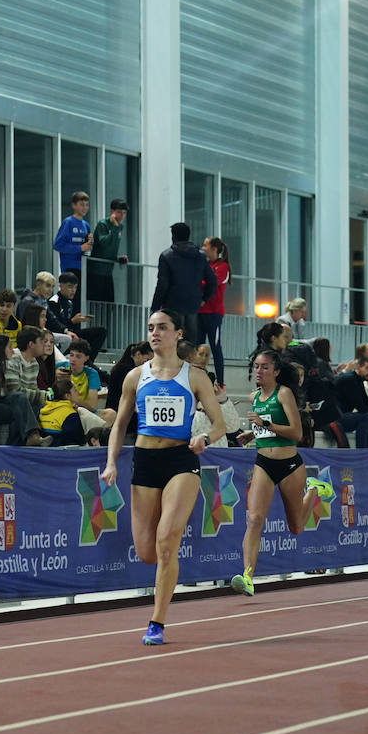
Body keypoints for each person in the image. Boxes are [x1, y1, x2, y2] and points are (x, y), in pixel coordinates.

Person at [101, 310, 225, 646]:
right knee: (147, 552)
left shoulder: (195, 377)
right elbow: (120, 425)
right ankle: (167, 568)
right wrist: (111, 462)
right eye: (151, 328)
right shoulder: (135, 376)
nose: (155, 333)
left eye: (162, 328)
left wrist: (206, 439)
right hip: (145, 461)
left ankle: (157, 621)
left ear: (177, 334)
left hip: (181, 460)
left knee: (167, 543)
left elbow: (219, 424)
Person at [232, 349, 333, 597]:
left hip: (289, 465)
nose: (259, 371)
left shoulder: (284, 393)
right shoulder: (254, 396)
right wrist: (253, 434)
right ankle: (247, 576)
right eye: (256, 366)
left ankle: (313, 489)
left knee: (296, 527)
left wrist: (265, 424)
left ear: (276, 372)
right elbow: (264, 429)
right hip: (263, 463)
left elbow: (296, 433)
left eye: (265, 367)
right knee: (254, 519)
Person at [151, 222, 216, 348]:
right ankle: (189, 367)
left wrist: (155, 307)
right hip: (193, 305)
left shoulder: (166, 256)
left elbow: (162, 284)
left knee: (171, 342)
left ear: (173, 236)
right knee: (190, 345)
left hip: (172, 305)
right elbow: (212, 281)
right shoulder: (199, 256)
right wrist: (204, 299)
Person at [48, 271, 107, 361]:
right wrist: (72, 321)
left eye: (75, 287)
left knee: (101, 332)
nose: (73, 290)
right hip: (60, 335)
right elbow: (55, 325)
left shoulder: (69, 303)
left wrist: (77, 321)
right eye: (70, 287)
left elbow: (69, 324)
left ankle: (88, 360)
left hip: (70, 332)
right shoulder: (54, 302)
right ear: (61, 286)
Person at [199, 237, 231, 389]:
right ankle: (195, 376)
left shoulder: (222, 266)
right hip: (199, 311)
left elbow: (211, 282)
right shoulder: (204, 264)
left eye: (205, 245)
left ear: (213, 249)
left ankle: (221, 382)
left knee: (216, 346)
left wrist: (199, 281)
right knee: (196, 346)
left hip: (213, 313)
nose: (202, 247)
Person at [87, 198, 129, 303]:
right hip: (96, 270)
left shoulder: (120, 227)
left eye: (124, 213)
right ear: (112, 212)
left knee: (109, 303)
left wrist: (117, 258)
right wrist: (114, 228)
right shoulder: (103, 224)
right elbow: (103, 244)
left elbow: (111, 248)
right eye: (119, 212)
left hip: (108, 271)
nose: (122, 216)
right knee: (96, 303)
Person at [105, 341, 152, 433]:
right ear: (138, 354)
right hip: (121, 416)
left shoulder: (123, 366)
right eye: (147, 360)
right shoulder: (128, 372)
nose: (149, 365)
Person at [53, 191, 92, 280]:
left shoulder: (86, 225)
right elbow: (58, 245)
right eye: (82, 205)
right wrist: (80, 248)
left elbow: (87, 247)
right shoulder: (68, 222)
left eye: (86, 205)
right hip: (69, 268)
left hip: (83, 267)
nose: (85, 208)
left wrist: (90, 243)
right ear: (74, 205)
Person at [38, 380, 88, 447]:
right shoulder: (70, 415)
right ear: (67, 396)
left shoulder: (42, 411)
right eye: (75, 390)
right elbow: (79, 440)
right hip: (61, 454)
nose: (78, 392)